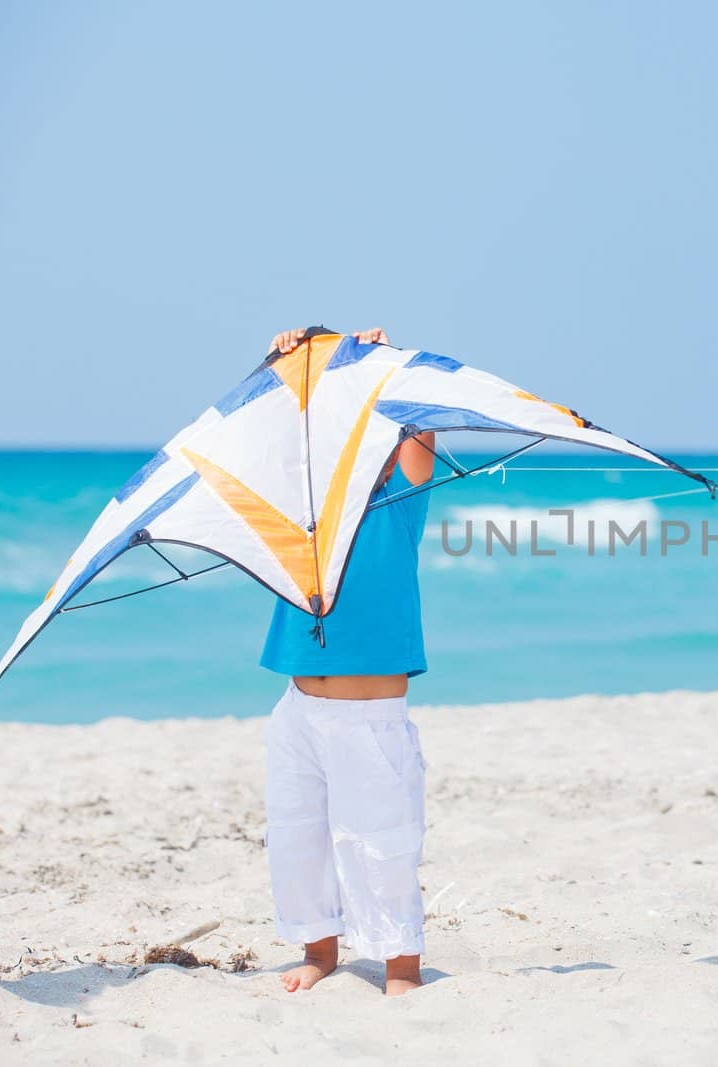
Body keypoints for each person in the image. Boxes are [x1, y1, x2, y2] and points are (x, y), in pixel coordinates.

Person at [259, 325, 437, 995]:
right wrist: (292, 362)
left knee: (382, 839)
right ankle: (320, 948)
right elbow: (278, 430)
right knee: (299, 832)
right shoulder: (301, 513)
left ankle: (400, 966)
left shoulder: (400, 499)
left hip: (371, 716)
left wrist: (380, 363)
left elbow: (420, 420)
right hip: (299, 706)